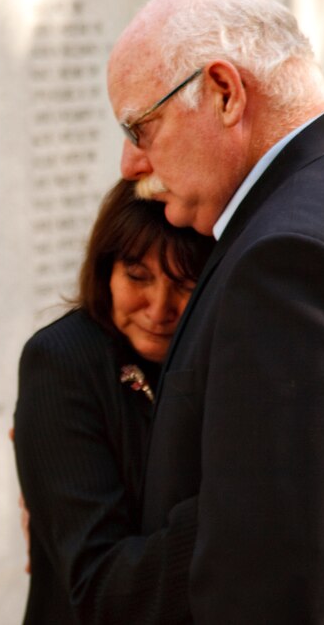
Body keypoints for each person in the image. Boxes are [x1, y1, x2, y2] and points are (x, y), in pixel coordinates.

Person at [111, 0, 324, 622]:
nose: (129, 163)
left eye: (140, 127)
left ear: (225, 93)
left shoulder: (290, 261)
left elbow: (270, 586)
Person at [13, 179, 213, 624]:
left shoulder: (224, 358)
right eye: (137, 277)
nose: (159, 308)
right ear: (105, 270)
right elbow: (101, 585)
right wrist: (238, 504)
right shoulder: (62, 362)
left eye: (185, 284)